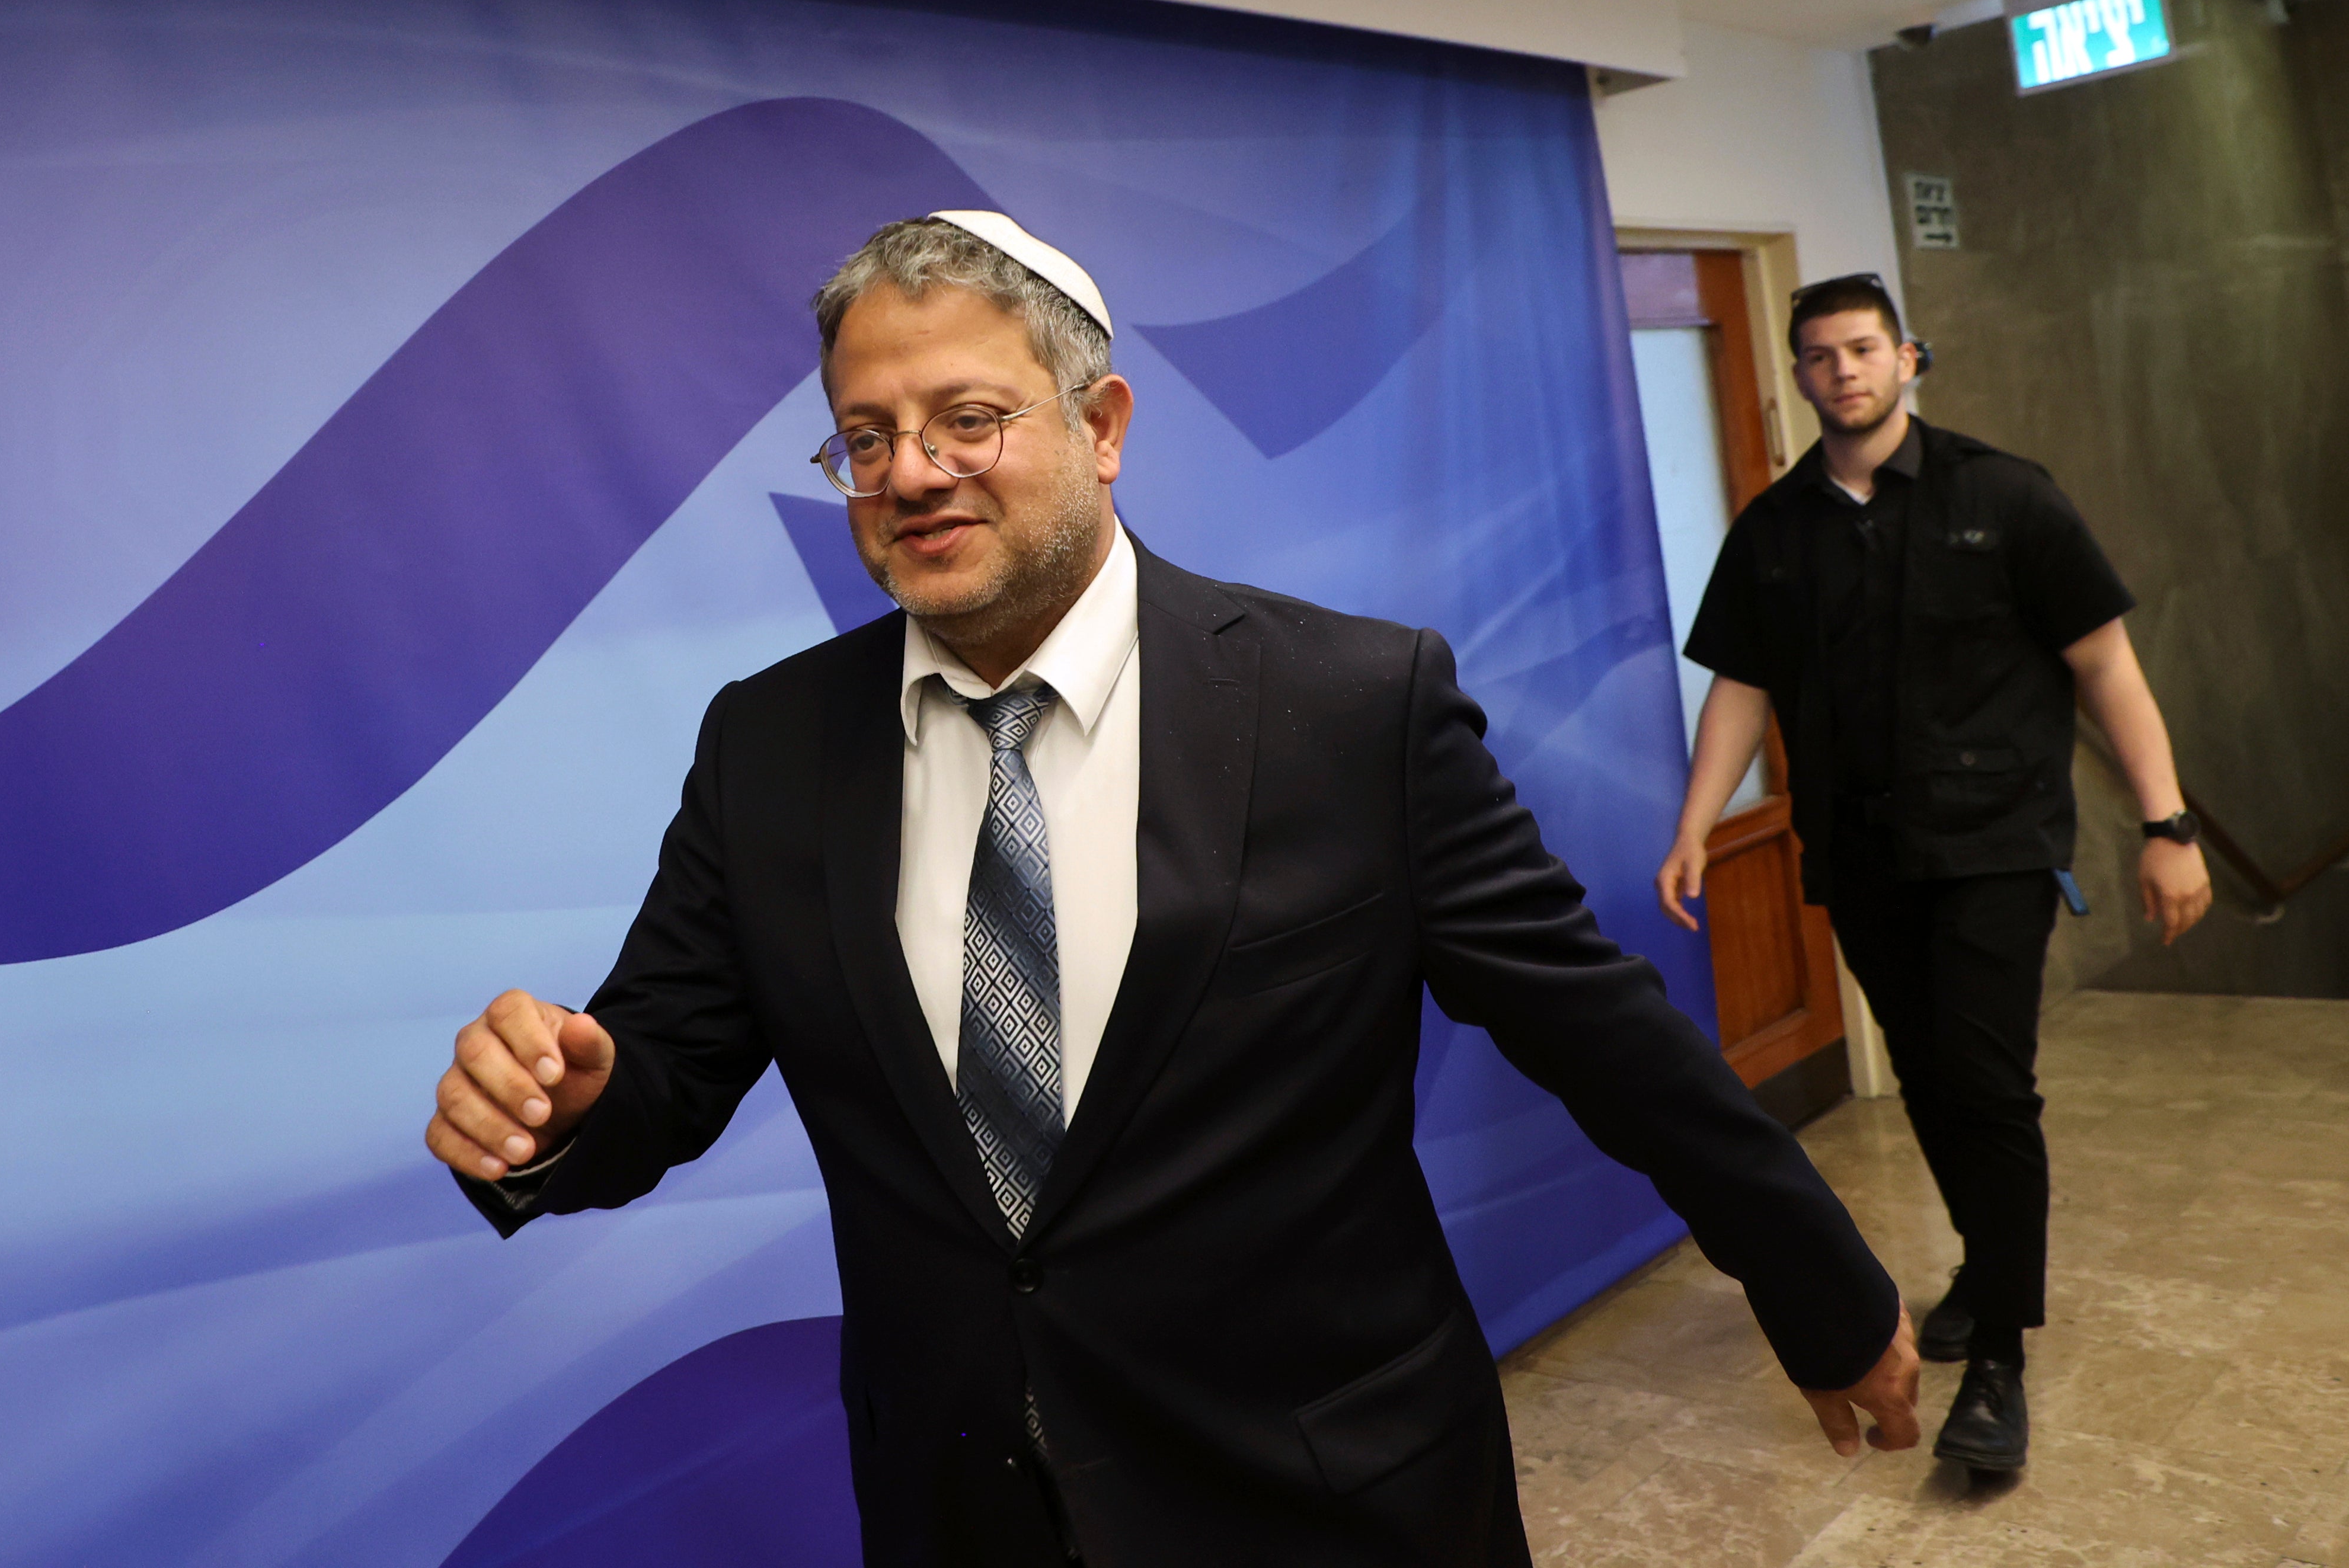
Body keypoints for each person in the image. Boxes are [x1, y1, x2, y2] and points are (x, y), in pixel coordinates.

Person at [429, 215, 1919, 1566]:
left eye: (966, 419)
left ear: (1102, 424)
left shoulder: (1348, 704)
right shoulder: (768, 744)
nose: (910, 473)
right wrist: (563, 1101)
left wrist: (1817, 1283)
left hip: (1329, 1497)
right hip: (967, 1511)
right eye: (863, 437)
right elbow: (659, 1072)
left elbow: (1595, 1027)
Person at [1657, 271, 2211, 1477]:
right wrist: (1699, 820)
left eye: (1862, 348)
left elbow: (2105, 664)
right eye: (1817, 355)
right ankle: (1982, 1261)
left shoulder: (2005, 496)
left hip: (1996, 847)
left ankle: (1999, 1352)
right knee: (1923, 1074)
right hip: (1861, 856)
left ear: (1908, 358)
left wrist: (2167, 821)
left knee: (1984, 1080)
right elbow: (1743, 686)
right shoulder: (1775, 530)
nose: (1841, 370)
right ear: (1800, 375)